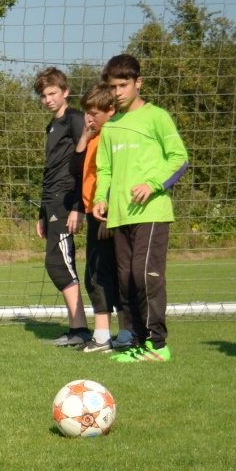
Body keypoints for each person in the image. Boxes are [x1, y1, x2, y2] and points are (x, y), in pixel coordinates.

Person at [91, 54, 188, 363]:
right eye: (112, 86)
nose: (117, 92)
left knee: (145, 275)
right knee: (126, 280)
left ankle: (158, 346)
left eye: (123, 85)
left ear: (138, 83)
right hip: (119, 216)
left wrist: (152, 183)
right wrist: (100, 198)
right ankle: (137, 342)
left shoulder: (156, 116)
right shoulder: (111, 125)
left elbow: (179, 158)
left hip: (152, 213)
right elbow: (104, 170)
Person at [33, 67, 90, 347]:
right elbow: (50, 171)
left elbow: (84, 166)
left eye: (53, 93)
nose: (48, 99)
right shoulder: (52, 125)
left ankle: (81, 328)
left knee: (61, 263)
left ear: (65, 91)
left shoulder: (76, 119)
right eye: (44, 96)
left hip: (69, 201)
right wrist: (42, 213)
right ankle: (76, 327)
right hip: (52, 203)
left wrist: (79, 206)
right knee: (57, 264)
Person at [76, 82, 133, 353]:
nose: (88, 118)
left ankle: (109, 336)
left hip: (106, 215)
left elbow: (113, 177)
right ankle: (118, 336)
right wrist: (85, 136)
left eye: (93, 113)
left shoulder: (112, 136)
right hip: (93, 212)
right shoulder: (95, 136)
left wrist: (106, 216)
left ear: (111, 110)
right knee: (100, 275)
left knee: (103, 276)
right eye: (86, 112)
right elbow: (76, 169)